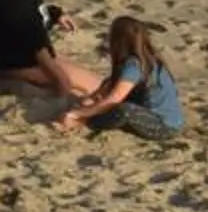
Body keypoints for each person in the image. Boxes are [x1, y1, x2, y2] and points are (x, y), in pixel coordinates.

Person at [53, 15, 185, 141]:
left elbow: (114, 99)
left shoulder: (135, 66)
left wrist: (80, 114)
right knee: (107, 99)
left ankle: (85, 124)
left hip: (164, 125)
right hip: (157, 115)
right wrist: (90, 100)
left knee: (123, 111)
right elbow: (110, 85)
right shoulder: (146, 57)